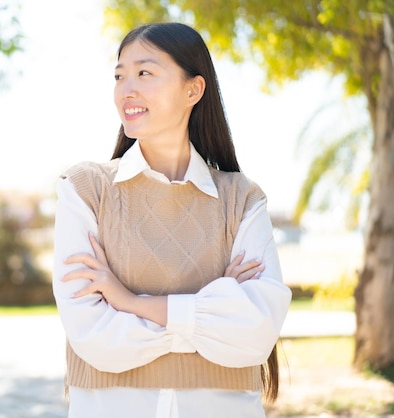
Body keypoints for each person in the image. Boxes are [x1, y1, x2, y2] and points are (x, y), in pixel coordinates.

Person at [51, 22, 292, 418]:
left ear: (192, 90)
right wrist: (211, 312)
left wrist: (128, 301)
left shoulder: (241, 199)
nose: (126, 89)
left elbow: (255, 332)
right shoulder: (84, 190)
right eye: (119, 75)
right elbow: (93, 336)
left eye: (144, 73)